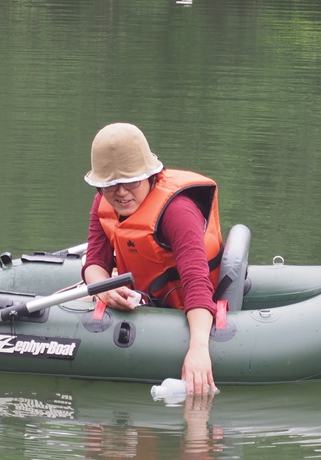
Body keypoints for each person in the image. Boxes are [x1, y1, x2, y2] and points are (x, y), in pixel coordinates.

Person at [81, 123, 222, 395]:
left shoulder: (178, 212)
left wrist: (198, 349)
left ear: (150, 175)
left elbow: (196, 282)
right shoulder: (103, 202)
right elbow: (95, 262)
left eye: (131, 182)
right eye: (110, 185)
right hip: (144, 298)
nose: (121, 193)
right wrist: (104, 288)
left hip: (186, 304)